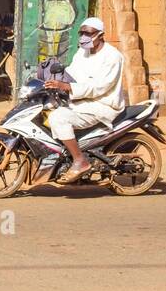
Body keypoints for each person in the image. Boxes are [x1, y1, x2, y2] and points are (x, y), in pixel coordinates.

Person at [44, 17, 125, 184]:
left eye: (87, 33)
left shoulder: (112, 56)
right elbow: (71, 73)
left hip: (102, 105)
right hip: (82, 101)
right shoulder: (82, 52)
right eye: (81, 33)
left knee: (58, 118)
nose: (83, 37)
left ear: (100, 35)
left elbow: (100, 87)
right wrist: (55, 81)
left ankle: (80, 160)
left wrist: (69, 87)